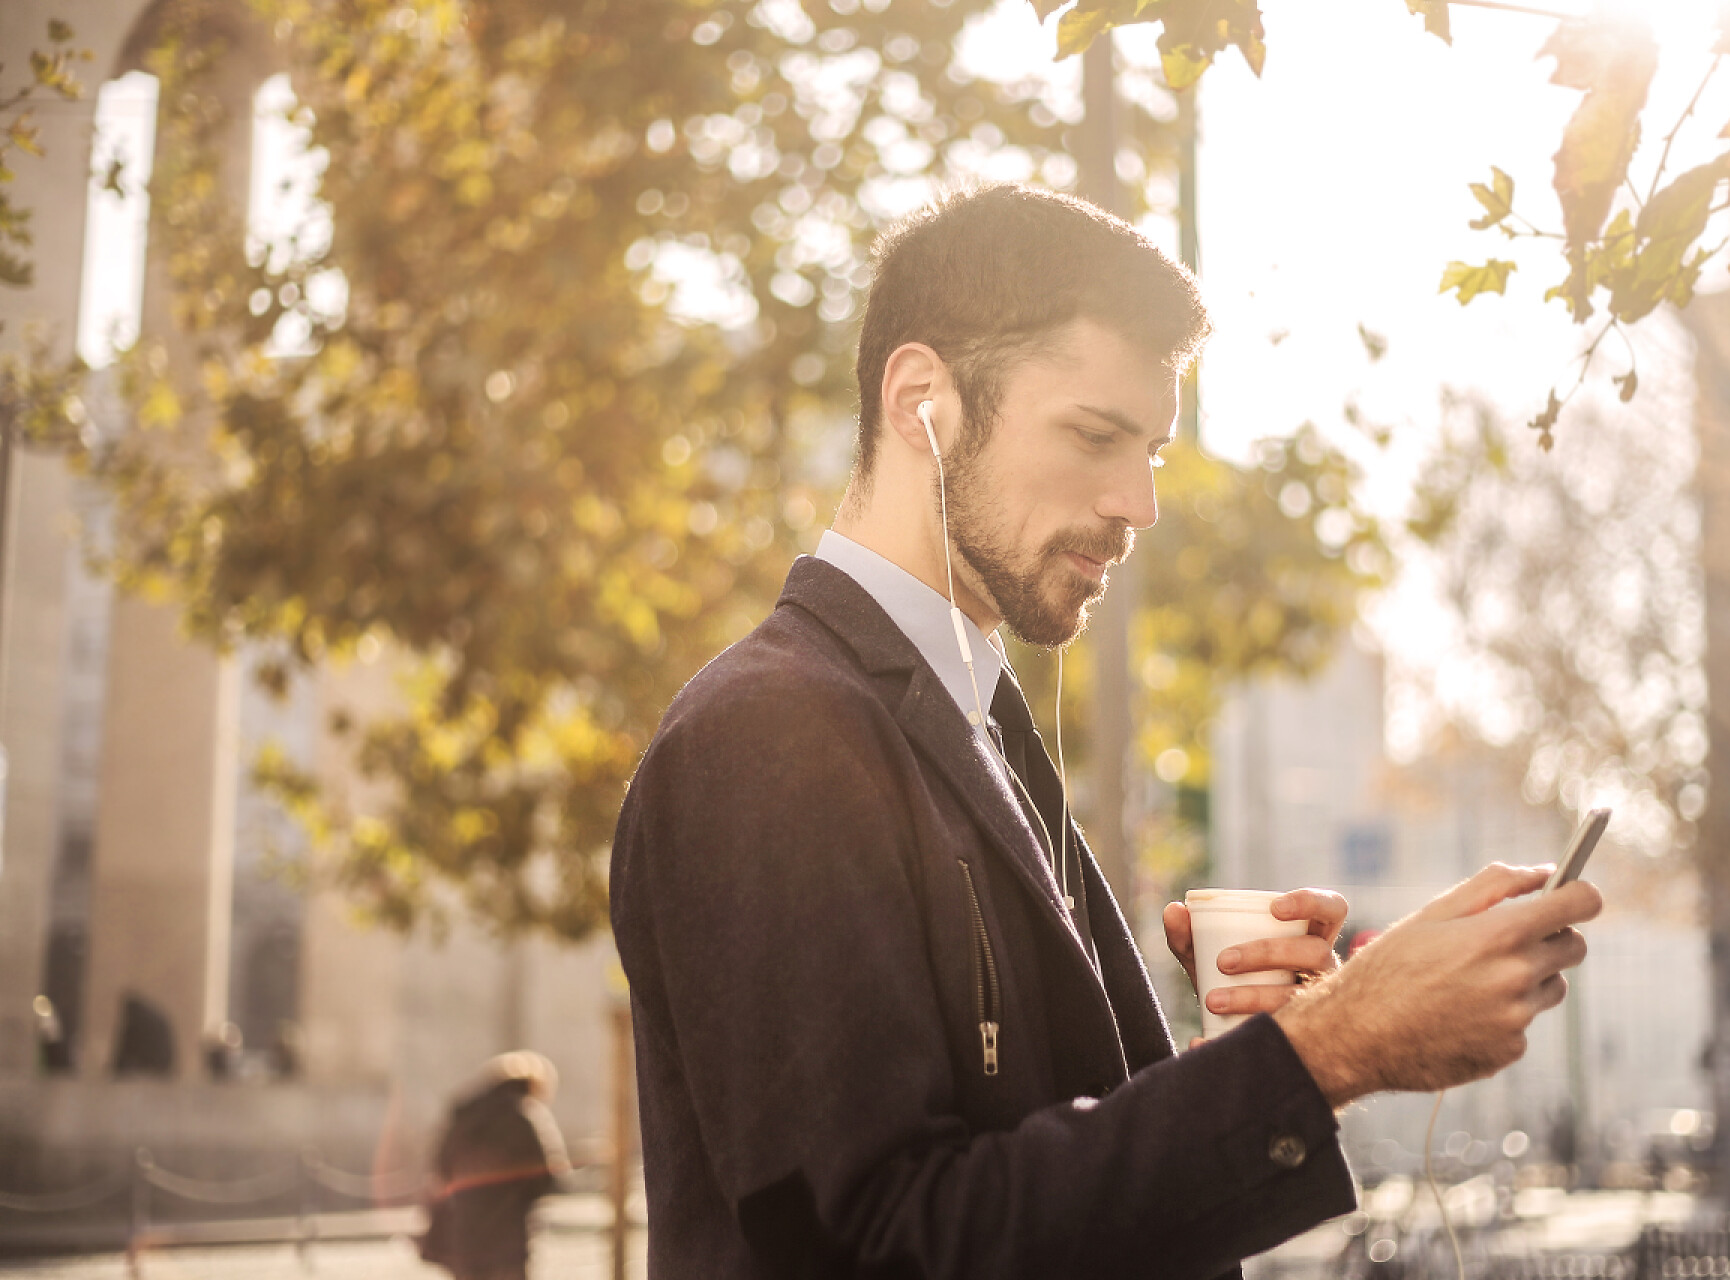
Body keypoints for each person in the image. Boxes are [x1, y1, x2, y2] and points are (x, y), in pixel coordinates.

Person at [608, 184, 1601, 1278]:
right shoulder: (770, 733)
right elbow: (880, 1244)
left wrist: (1247, 1045)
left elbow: (1035, 1178)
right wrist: (1325, 1050)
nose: (1140, 501)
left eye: (1155, 452)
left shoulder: (976, 723)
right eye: (1094, 435)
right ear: (921, 400)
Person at [419, 1051, 570, 1280]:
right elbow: (546, 1174)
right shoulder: (524, 1113)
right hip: (508, 1232)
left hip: (464, 1230)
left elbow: (441, 1165)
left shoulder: (465, 1112)